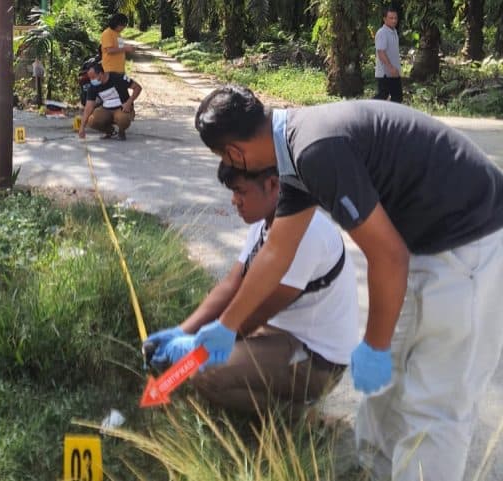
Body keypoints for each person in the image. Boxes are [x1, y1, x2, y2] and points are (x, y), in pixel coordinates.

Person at [192, 85, 503, 481]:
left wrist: (373, 345)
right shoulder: (293, 154)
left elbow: (386, 255)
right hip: (422, 246)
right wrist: (226, 326)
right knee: (389, 380)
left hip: (470, 242)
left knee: (436, 402)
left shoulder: (316, 150)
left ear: (233, 152)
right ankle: (374, 471)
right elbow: (275, 255)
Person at [144, 165, 359, 416]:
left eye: (240, 191)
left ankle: (305, 420)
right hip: (281, 334)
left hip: (316, 360)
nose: (234, 200)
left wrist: (194, 351)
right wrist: (182, 331)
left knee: (204, 373)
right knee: (200, 358)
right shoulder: (266, 222)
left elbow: (254, 315)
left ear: (272, 185)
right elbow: (232, 284)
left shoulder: (307, 233)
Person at [78, 63, 142, 141]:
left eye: (93, 77)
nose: (92, 80)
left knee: (123, 119)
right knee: (91, 121)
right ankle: (110, 131)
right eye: (90, 78)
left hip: (122, 107)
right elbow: (88, 107)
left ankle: (121, 131)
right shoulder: (93, 86)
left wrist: (129, 102)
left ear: (101, 74)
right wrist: (82, 127)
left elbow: (137, 87)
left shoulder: (118, 77)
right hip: (106, 108)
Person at [374, 6, 402, 103]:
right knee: (382, 96)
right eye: (391, 18)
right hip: (385, 74)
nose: (394, 21)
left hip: (394, 72)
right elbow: (381, 52)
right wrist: (390, 68)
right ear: (384, 19)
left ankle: (391, 117)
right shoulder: (382, 33)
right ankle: (366, 111)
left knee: (397, 98)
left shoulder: (394, 32)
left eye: (395, 18)